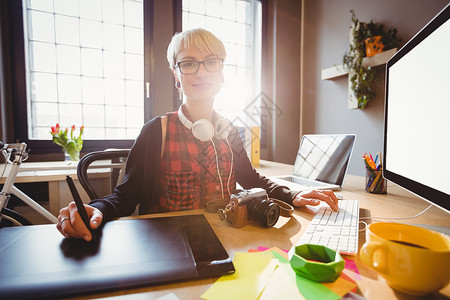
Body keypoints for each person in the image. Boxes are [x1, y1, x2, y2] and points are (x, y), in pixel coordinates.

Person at [57, 28, 339, 242]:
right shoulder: (156, 132)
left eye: (211, 62)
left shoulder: (229, 130)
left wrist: (293, 195)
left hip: (228, 239)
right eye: (189, 63)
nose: (201, 72)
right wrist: (97, 210)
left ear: (222, 72)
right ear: (176, 75)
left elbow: (252, 179)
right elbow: (125, 196)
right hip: (170, 245)